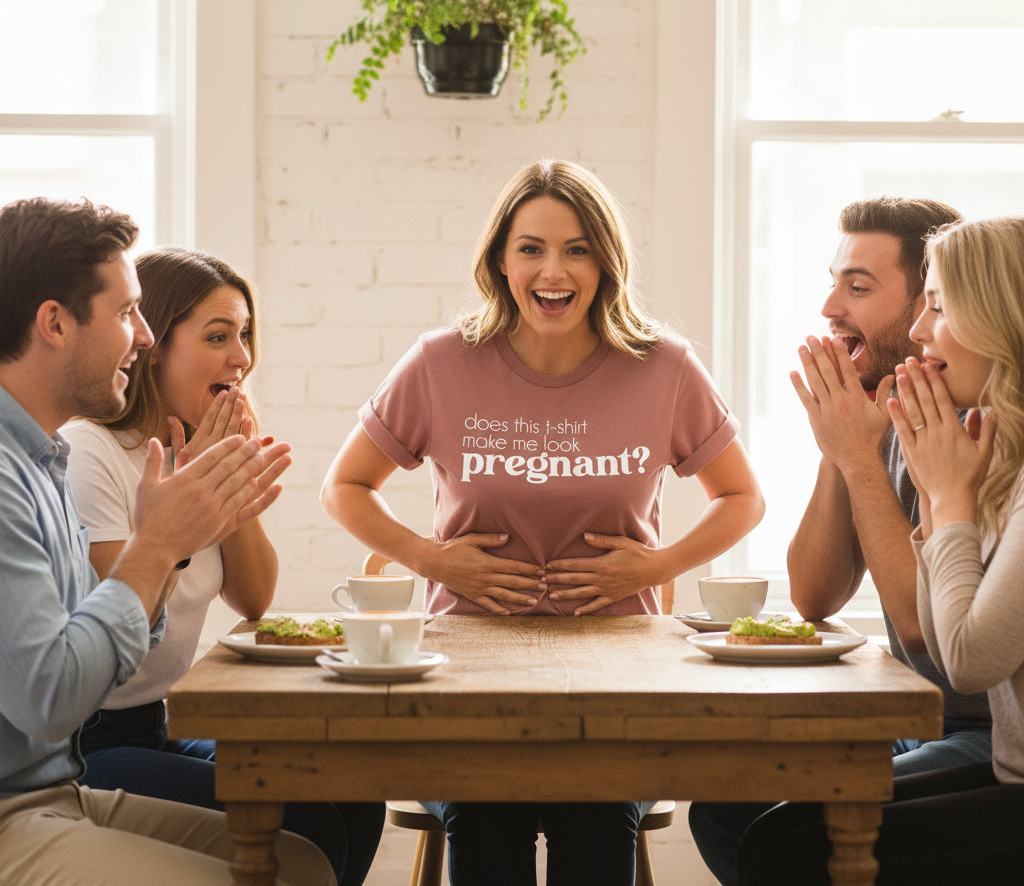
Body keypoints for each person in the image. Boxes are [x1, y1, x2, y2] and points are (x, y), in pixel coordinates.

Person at [320, 159, 765, 885]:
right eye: (531, 248)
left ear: (606, 262)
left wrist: (658, 566)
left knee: (594, 820)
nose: (553, 270)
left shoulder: (664, 367)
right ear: (500, 259)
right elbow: (344, 486)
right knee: (487, 817)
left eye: (577, 248)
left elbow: (743, 497)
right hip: (463, 679)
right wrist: (433, 560)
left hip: (619, 682)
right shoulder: (440, 362)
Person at [0, 197, 330, 885]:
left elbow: (116, 652)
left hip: (54, 792)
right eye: (126, 313)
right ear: (54, 323)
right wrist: (159, 545)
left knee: (303, 861)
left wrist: (179, 535)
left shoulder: (42, 460)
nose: (144, 337)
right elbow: (58, 699)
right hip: (17, 808)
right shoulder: (22, 470)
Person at [688, 196, 992, 886]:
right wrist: (841, 443)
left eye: (857, 287)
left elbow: (922, 631)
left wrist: (855, 457)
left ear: (930, 308)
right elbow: (816, 594)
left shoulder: (976, 434)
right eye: (833, 282)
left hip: (987, 734)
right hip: (915, 718)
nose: (830, 306)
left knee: (783, 832)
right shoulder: (888, 413)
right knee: (722, 807)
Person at [62, 246, 384, 886]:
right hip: (84, 746)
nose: (241, 357)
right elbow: (116, 627)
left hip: (158, 725)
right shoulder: (90, 450)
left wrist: (228, 472)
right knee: (307, 823)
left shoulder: (196, 451)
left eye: (244, 336)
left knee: (354, 788)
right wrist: (183, 517)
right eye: (217, 337)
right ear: (153, 345)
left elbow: (256, 598)